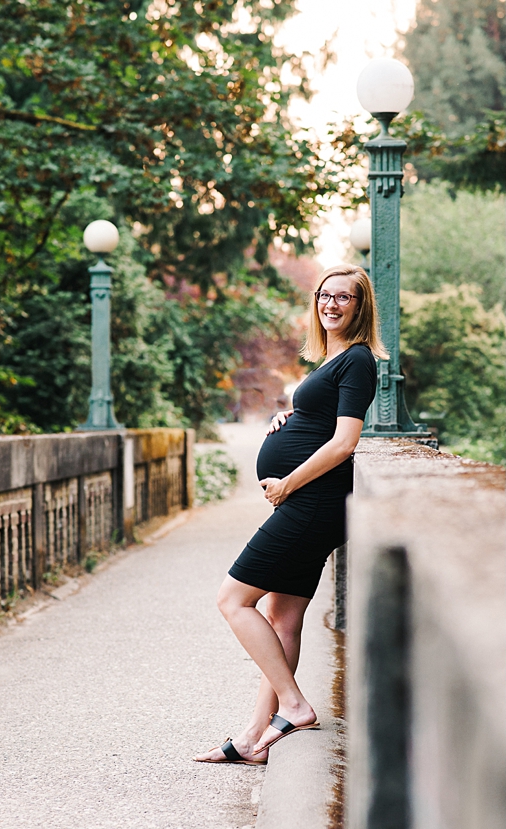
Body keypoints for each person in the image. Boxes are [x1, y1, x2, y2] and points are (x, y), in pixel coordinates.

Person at [194, 264, 381, 766]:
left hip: (313, 501)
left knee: (233, 599)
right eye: (325, 295)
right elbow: (322, 420)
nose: (331, 304)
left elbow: (345, 442)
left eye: (344, 298)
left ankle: (295, 706)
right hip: (311, 501)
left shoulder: (359, 360)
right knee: (283, 616)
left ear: (360, 308)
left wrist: (287, 483)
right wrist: (292, 415)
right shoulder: (334, 359)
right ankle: (254, 738)